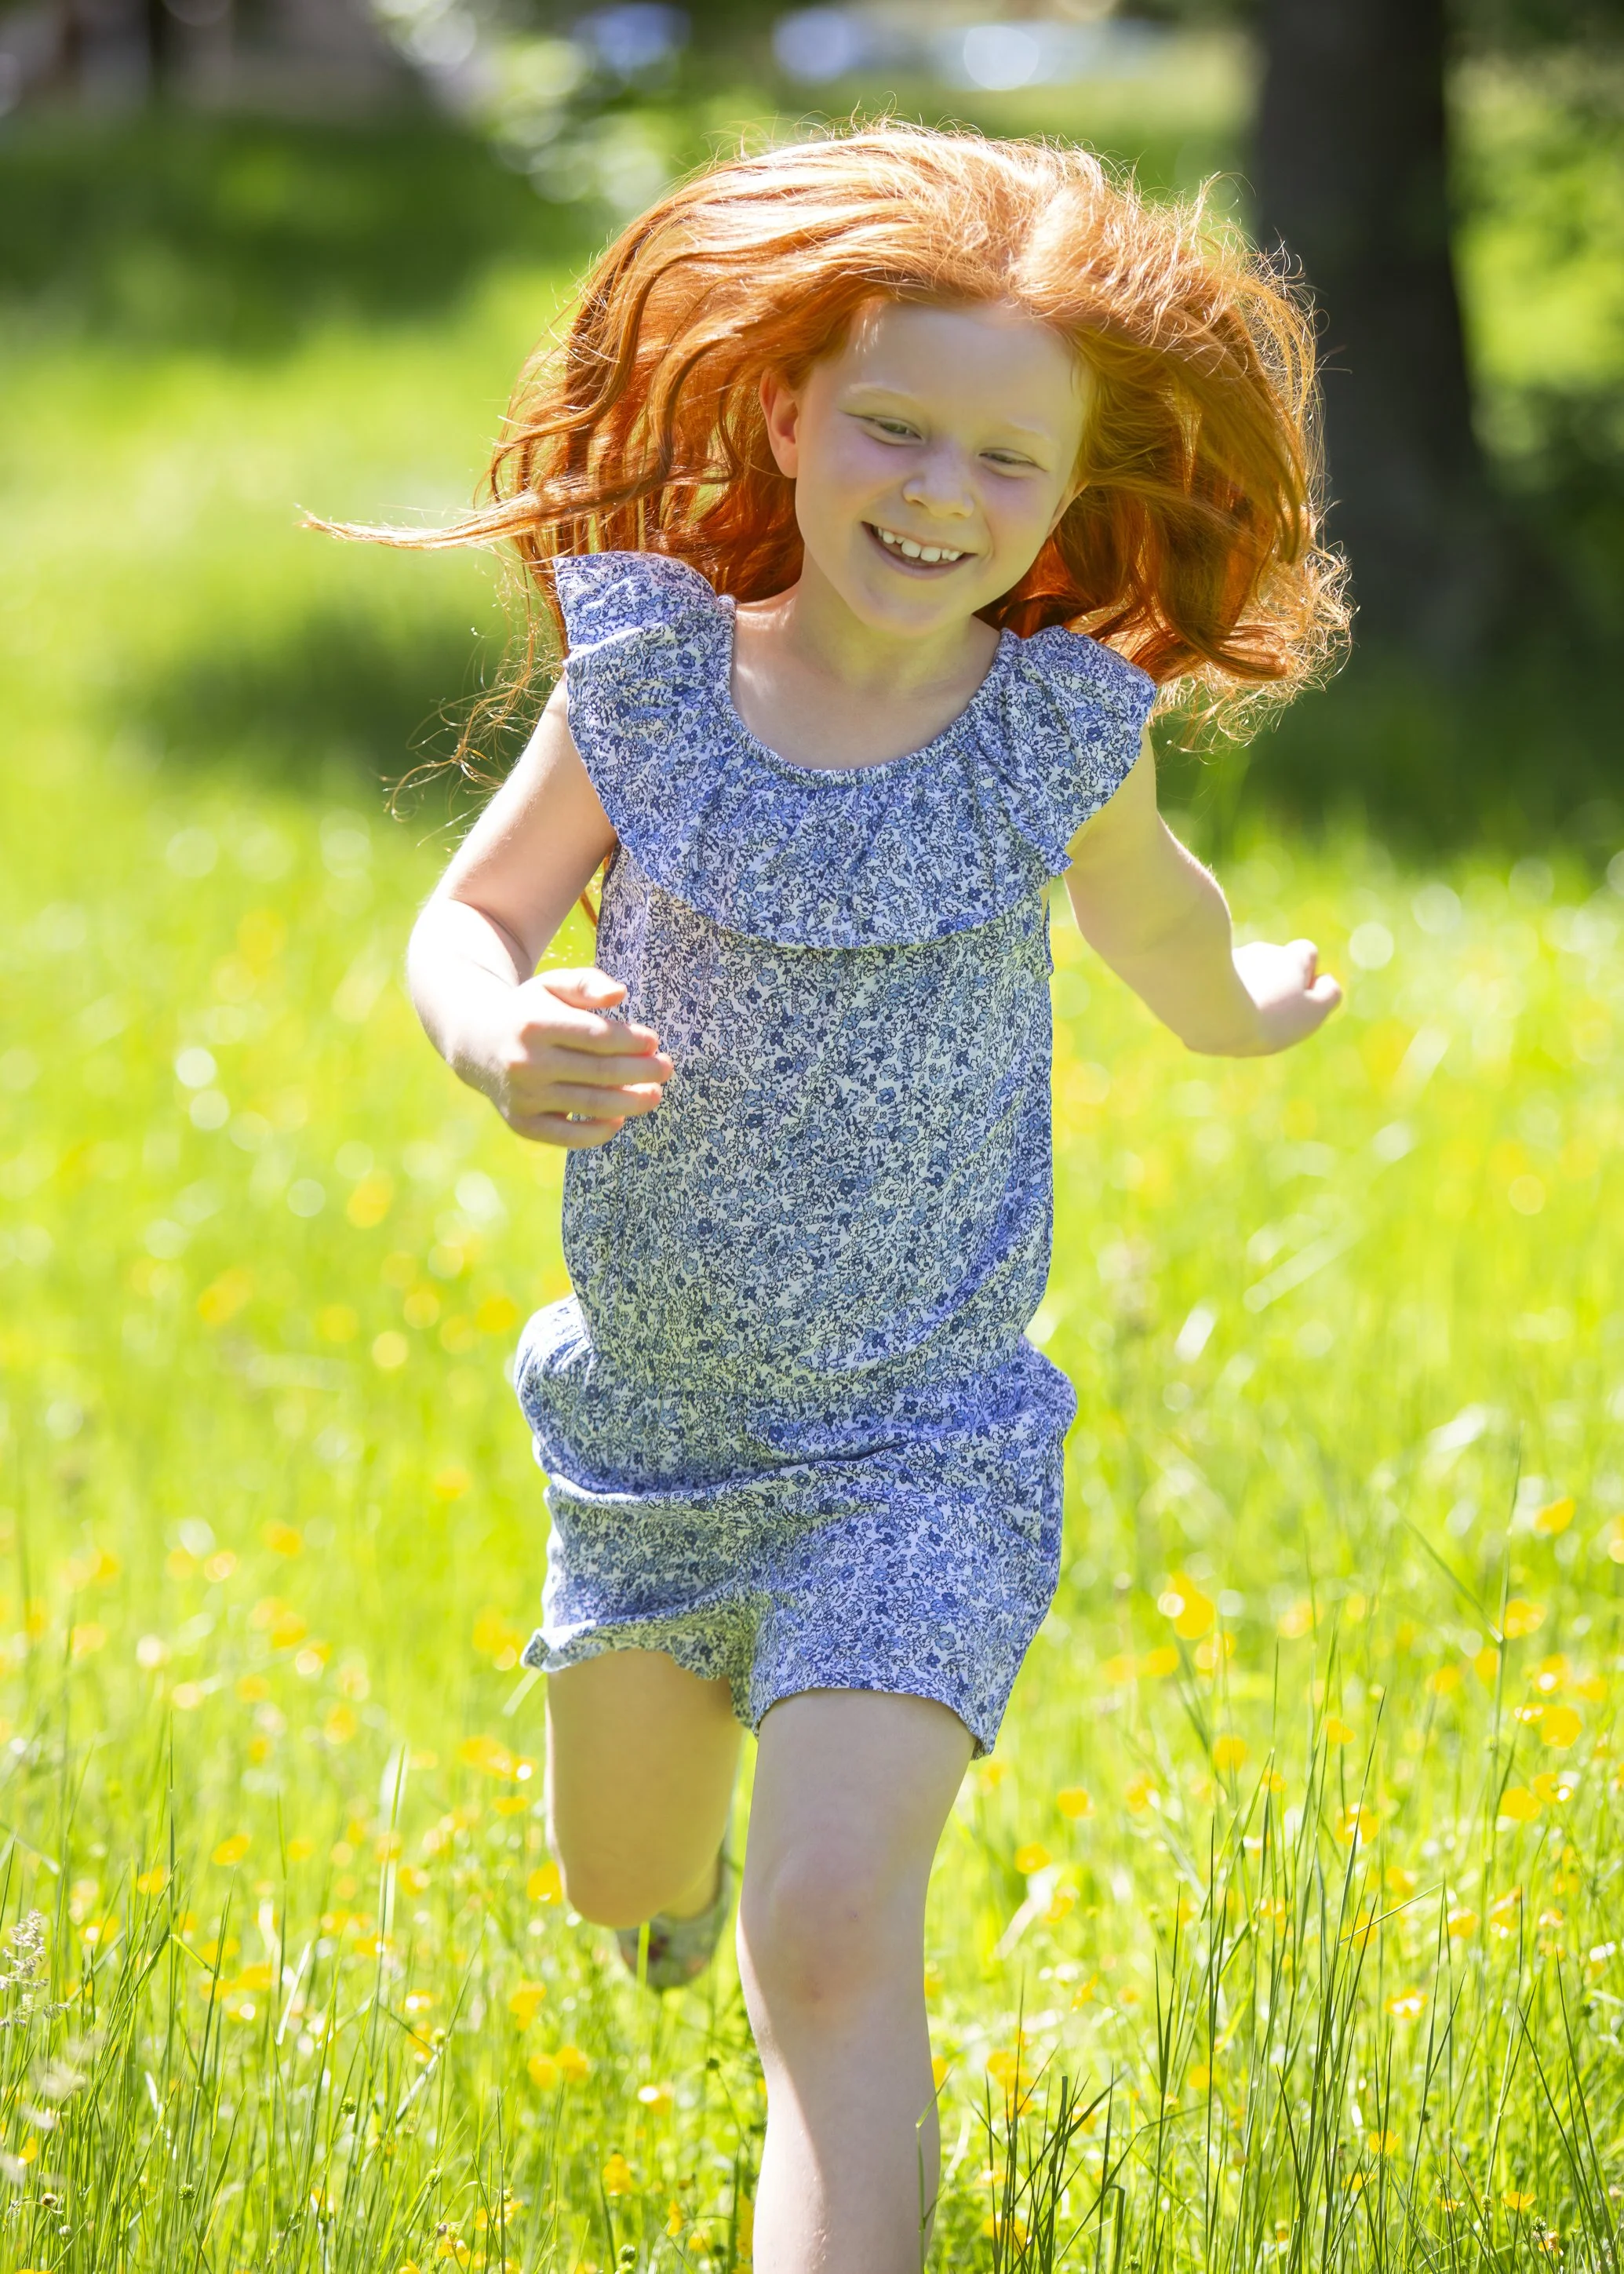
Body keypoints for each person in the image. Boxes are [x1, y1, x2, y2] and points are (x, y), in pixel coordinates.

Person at [354, 126, 1346, 2274]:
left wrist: (1251, 1005)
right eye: (891, 425)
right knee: (631, 1886)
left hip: (919, 1442)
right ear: (789, 413)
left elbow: (1161, 938)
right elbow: (472, 912)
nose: (932, 492)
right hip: (651, 1432)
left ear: (1072, 493)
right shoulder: (647, 690)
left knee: (826, 1944)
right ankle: (664, 1891)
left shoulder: (1058, 740)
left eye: (1004, 461)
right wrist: (492, 1031)